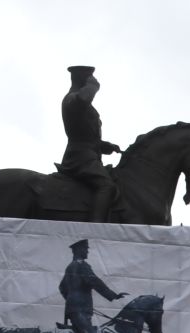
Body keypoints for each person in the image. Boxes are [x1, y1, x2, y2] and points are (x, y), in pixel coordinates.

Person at [58, 65, 120, 223]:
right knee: (107, 186)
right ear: (81, 78)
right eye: (88, 77)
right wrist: (93, 87)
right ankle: (94, 228)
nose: (91, 79)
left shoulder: (82, 103)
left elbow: (84, 134)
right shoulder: (72, 99)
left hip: (89, 155)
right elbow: (83, 99)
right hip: (79, 158)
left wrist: (104, 145)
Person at [58, 239, 124, 333]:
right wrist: (114, 296)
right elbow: (95, 282)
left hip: (75, 311)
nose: (87, 251)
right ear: (79, 250)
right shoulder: (82, 266)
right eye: (85, 249)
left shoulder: (70, 267)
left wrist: (71, 300)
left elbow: (62, 287)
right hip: (81, 311)